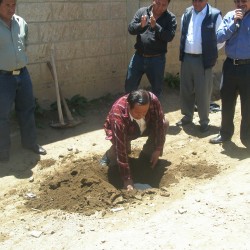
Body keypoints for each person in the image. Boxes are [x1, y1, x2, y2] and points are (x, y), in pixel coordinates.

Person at [0, 0, 46, 162]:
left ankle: (30, 143)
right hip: (3, 77)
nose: (11, 9)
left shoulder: (21, 22)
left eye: (14, 5)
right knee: (2, 115)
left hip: (22, 74)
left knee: (27, 109)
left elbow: (24, 43)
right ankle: (3, 151)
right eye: (7, 5)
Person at [100, 90, 168, 191]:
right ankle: (109, 155)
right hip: (125, 130)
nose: (141, 115)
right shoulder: (118, 114)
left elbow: (159, 124)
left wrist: (158, 149)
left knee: (165, 122)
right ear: (128, 106)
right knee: (124, 151)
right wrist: (127, 180)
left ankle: (146, 157)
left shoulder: (153, 100)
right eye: (137, 112)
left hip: (145, 126)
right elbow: (120, 147)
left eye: (144, 112)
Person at [176, 0, 223, 133]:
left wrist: (209, 52)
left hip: (203, 60)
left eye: (200, 0)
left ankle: (204, 121)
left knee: (203, 91)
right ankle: (187, 116)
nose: (196, 3)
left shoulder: (214, 15)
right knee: (186, 88)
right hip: (187, 57)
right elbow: (183, 34)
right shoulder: (187, 13)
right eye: (194, 0)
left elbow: (220, 39)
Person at [210, 0, 250, 149]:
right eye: (237, 1)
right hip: (230, 66)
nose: (240, 4)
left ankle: (247, 138)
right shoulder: (230, 16)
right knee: (226, 101)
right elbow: (219, 37)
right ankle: (225, 133)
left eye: (244, 1)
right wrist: (233, 23)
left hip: (248, 67)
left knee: (248, 105)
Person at [124, 0, 177, 99]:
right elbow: (131, 29)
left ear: (168, 5)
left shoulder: (170, 18)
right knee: (130, 86)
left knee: (156, 91)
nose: (160, 7)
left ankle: (154, 113)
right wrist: (141, 25)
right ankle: (129, 111)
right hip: (138, 57)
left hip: (157, 60)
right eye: (158, 3)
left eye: (164, 5)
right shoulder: (142, 12)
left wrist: (155, 26)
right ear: (153, 1)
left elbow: (169, 37)